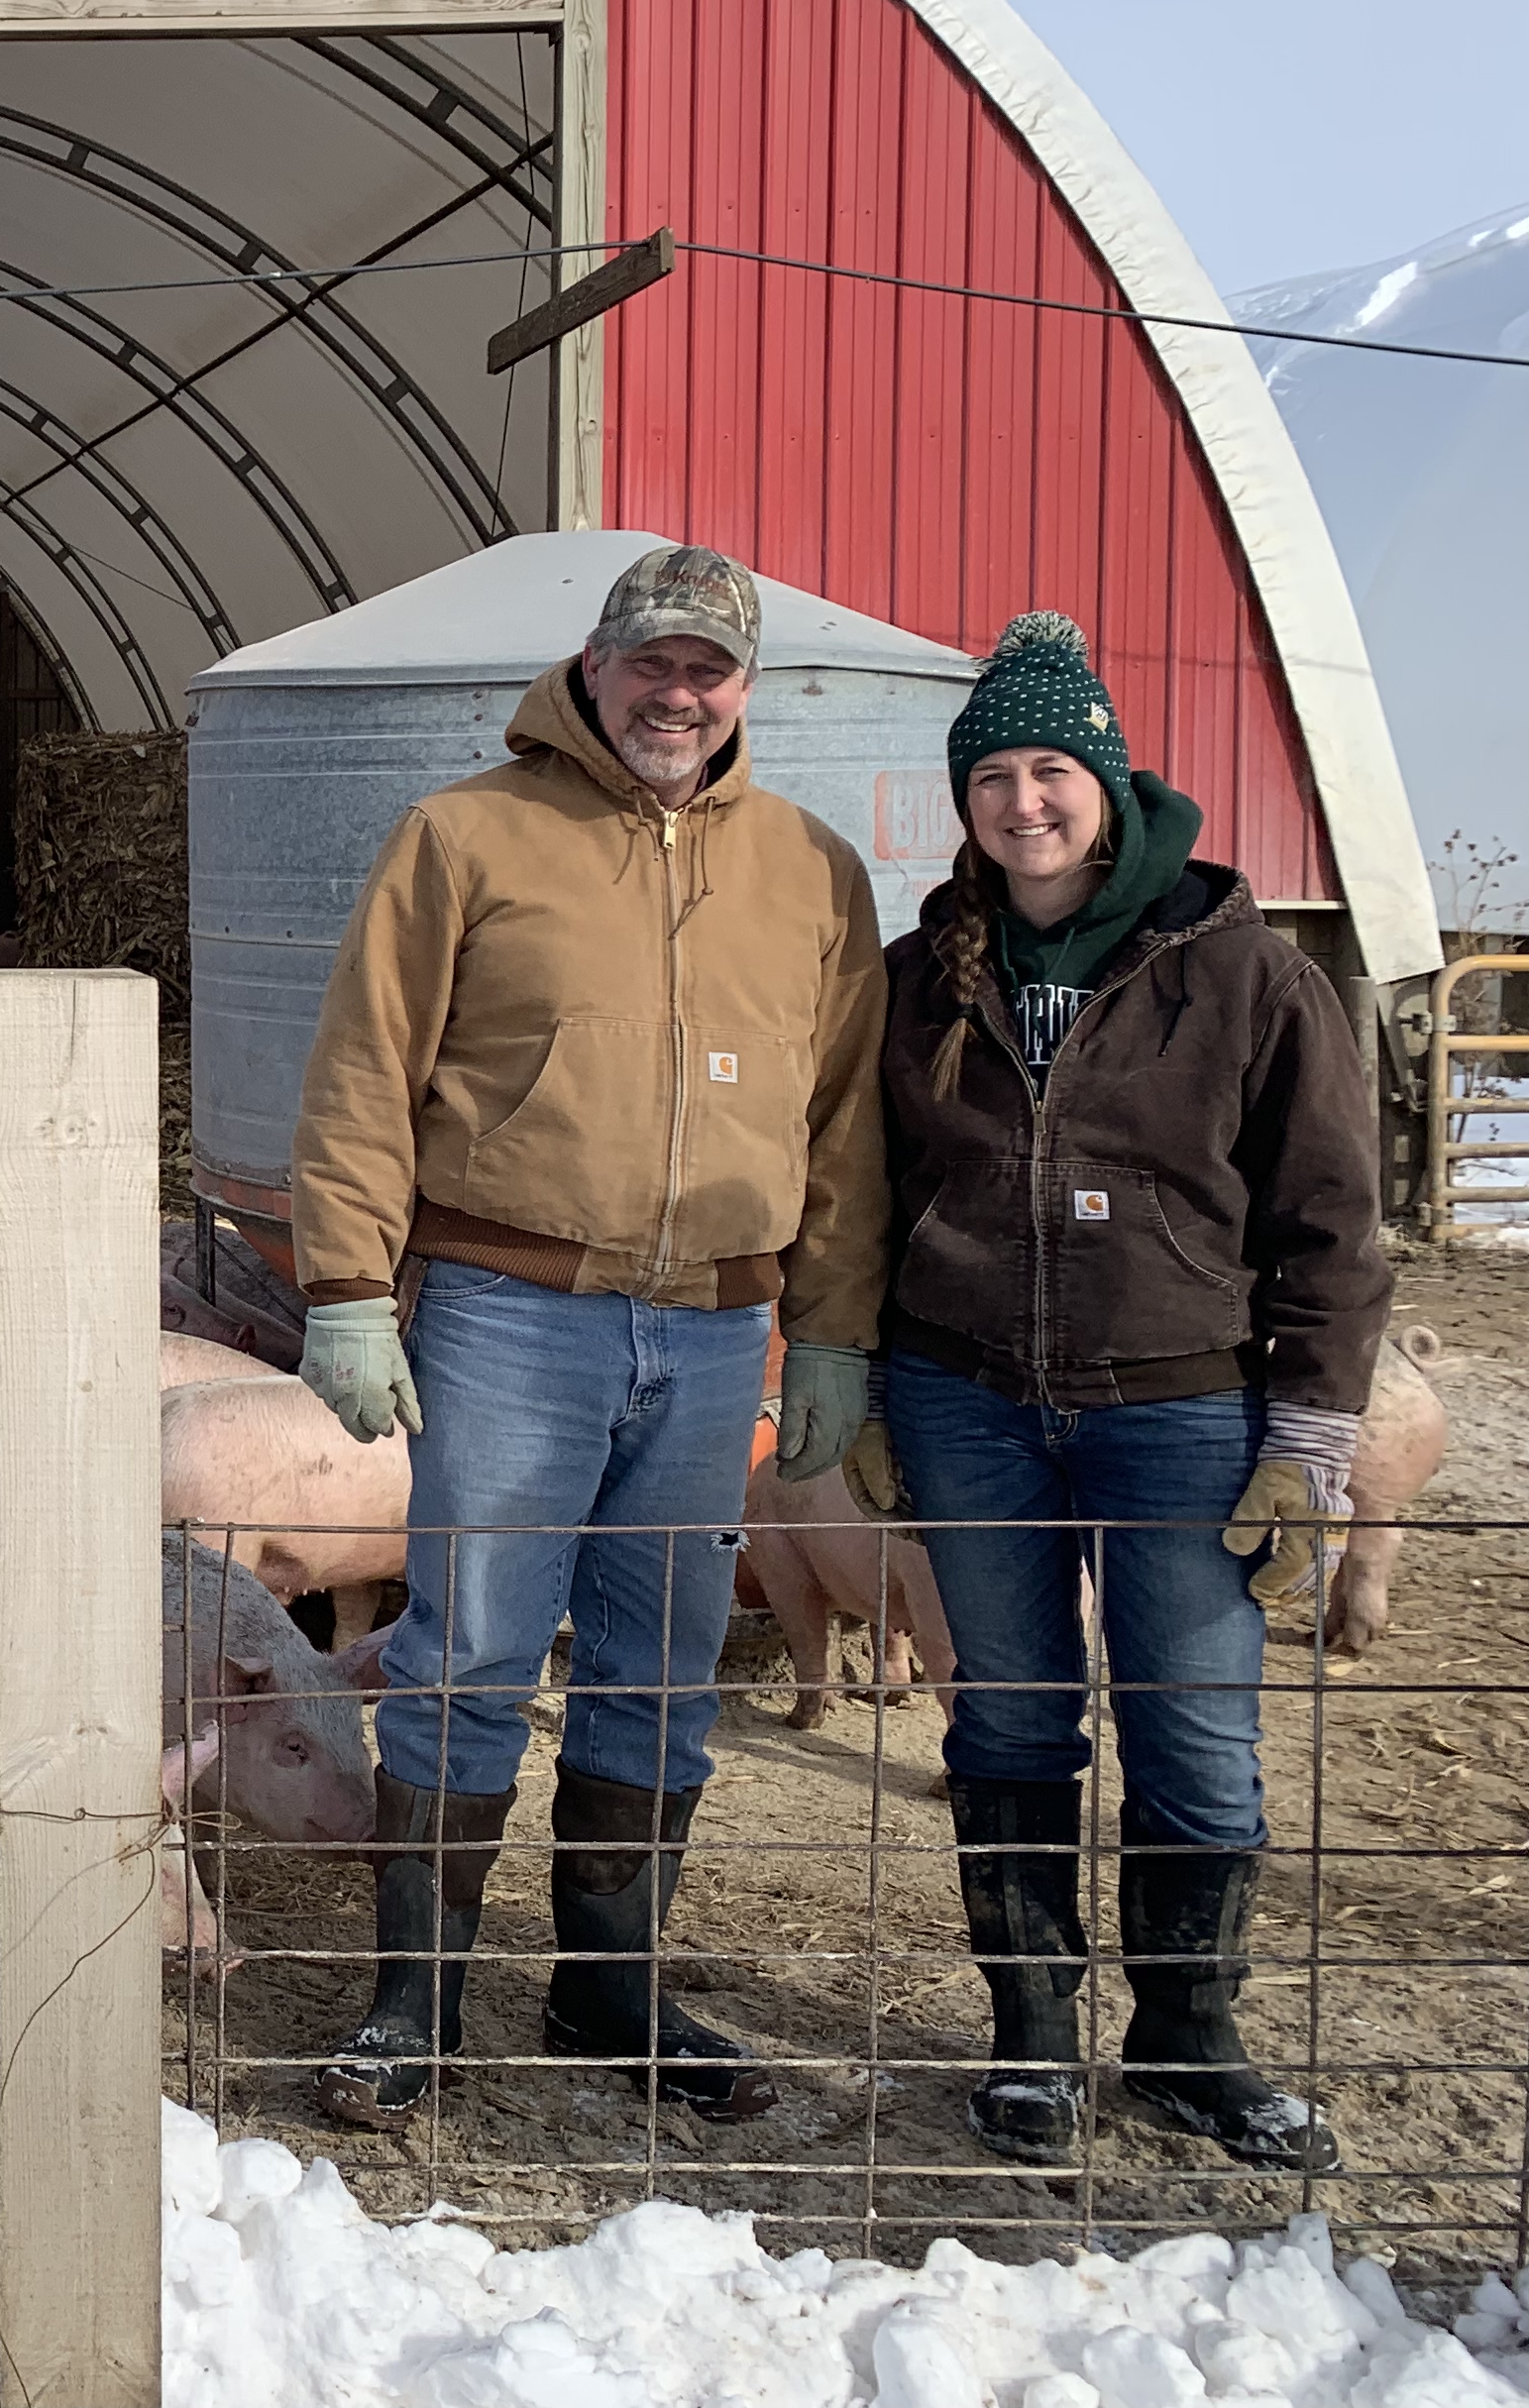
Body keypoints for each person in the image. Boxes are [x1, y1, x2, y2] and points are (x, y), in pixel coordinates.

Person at [288, 542, 890, 2129]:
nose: (678, 695)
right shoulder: (466, 835)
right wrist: (348, 1284)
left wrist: (830, 1334)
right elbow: (365, 1069)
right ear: (598, 665)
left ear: (745, 689)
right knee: (468, 1652)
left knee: (667, 1670)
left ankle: (608, 1987)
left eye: (711, 670)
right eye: (654, 663)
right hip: (511, 1312)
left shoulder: (813, 870)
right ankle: (410, 1999)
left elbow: (846, 1131)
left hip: (713, 1334)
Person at [855, 610, 1383, 2172]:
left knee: (1195, 1727)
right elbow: (861, 1196)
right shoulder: (920, 976)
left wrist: (1311, 1437)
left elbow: (1331, 1222)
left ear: (1109, 778)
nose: (1026, 803)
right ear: (963, 799)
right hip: (965, 1403)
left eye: (1053, 770)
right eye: (995, 776)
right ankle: (1030, 2042)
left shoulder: (1244, 974)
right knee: (1008, 1717)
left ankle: (1186, 2041)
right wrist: (871, 1384)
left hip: (1179, 1410)